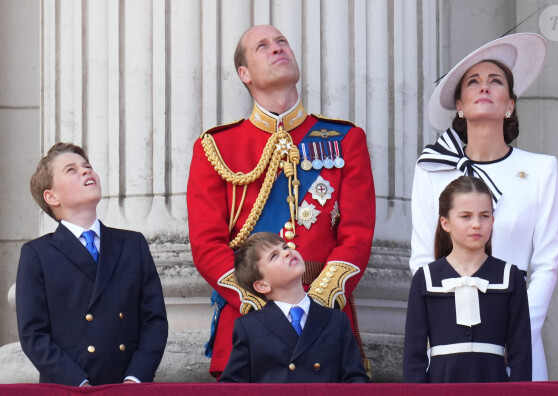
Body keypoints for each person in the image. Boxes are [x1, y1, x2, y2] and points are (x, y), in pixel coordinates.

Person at [187, 25, 375, 378]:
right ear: (244, 74)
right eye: (263, 46)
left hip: (326, 316)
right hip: (248, 318)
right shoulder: (216, 148)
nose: (277, 49)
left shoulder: (345, 139)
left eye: (282, 42)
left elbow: (358, 234)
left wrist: (314, 304)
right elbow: (206, 244)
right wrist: (260, 305)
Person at [410, 33, 558, 381]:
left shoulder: (541, 169)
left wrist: (517, 332)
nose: (484, 87)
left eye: (496, 81)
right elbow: (422, 260)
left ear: (510, 103)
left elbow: (547, 265)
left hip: (517, 341)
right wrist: (442, 330)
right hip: (449, 344)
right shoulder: (432, 169)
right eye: (473, 82)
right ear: (459, 104)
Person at [16, 142, 168, 386]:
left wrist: (135, 378)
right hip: (70, 388)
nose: (86, 171)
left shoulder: (133, 244)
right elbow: (33, 335)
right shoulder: (37, 254)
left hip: (126, 387)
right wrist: (78, 384)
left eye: (87, 166)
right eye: (71, 170)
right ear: (51, 196)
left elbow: (154, 321)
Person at [404, 176, 532, 382]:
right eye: (466, 216)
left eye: (484, 216)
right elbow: (413, 358)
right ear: (445, 223)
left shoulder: (511, 277)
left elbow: (521, 356)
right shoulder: (425, 278)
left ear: (493, 220)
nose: (476, 224)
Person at [219, 232, 370, 383]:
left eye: (285, 246)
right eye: (274, 256)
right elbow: (232, 386)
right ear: (262, 285)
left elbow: (355, 379)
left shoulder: (336, 320)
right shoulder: (249, 327)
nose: (287, 252)